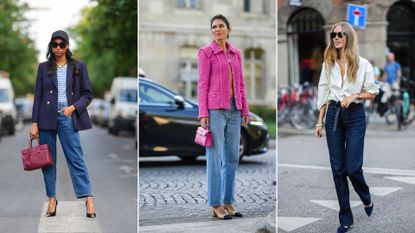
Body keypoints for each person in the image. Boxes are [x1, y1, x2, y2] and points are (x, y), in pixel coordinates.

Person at [315, 22, 379, 233]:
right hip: (333, 115)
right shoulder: (328, 62)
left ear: (348, 36)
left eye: (339, 34)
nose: (335, 37)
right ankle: (345, 218)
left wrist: (355, 95)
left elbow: (373, 91)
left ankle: (366, 197)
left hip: (355, 116)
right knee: (338, 170)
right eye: (333, 34)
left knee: (352, 167)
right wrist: (319, 120)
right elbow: (323, 91)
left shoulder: (363, 65)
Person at [30, 30, 96, 218]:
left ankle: (88, 198)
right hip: (46, 119)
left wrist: (73, 108)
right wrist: (34, 123)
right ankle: (52, 198)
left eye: (61, 44)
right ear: (51, 47)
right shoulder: (43, 68)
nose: (58, 48)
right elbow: (38, 97)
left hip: (67, 117)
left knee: (76, 158)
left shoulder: (78, 67)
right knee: (47, 161)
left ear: (67, 46)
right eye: (54, 45)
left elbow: (87, 94)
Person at [198, 14, 249, 220]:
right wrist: (203, 113)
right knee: (215, 157)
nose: (217, 29)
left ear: (229, 29)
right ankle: (215, 203)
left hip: (234, 110)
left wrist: (244, 109)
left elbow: (242, 84)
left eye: (221, 26)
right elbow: (202, 85)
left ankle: (228, 201)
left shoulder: (236, 54)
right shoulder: (206, 53)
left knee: (232, 158)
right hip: (215, 111)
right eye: (214, 27)